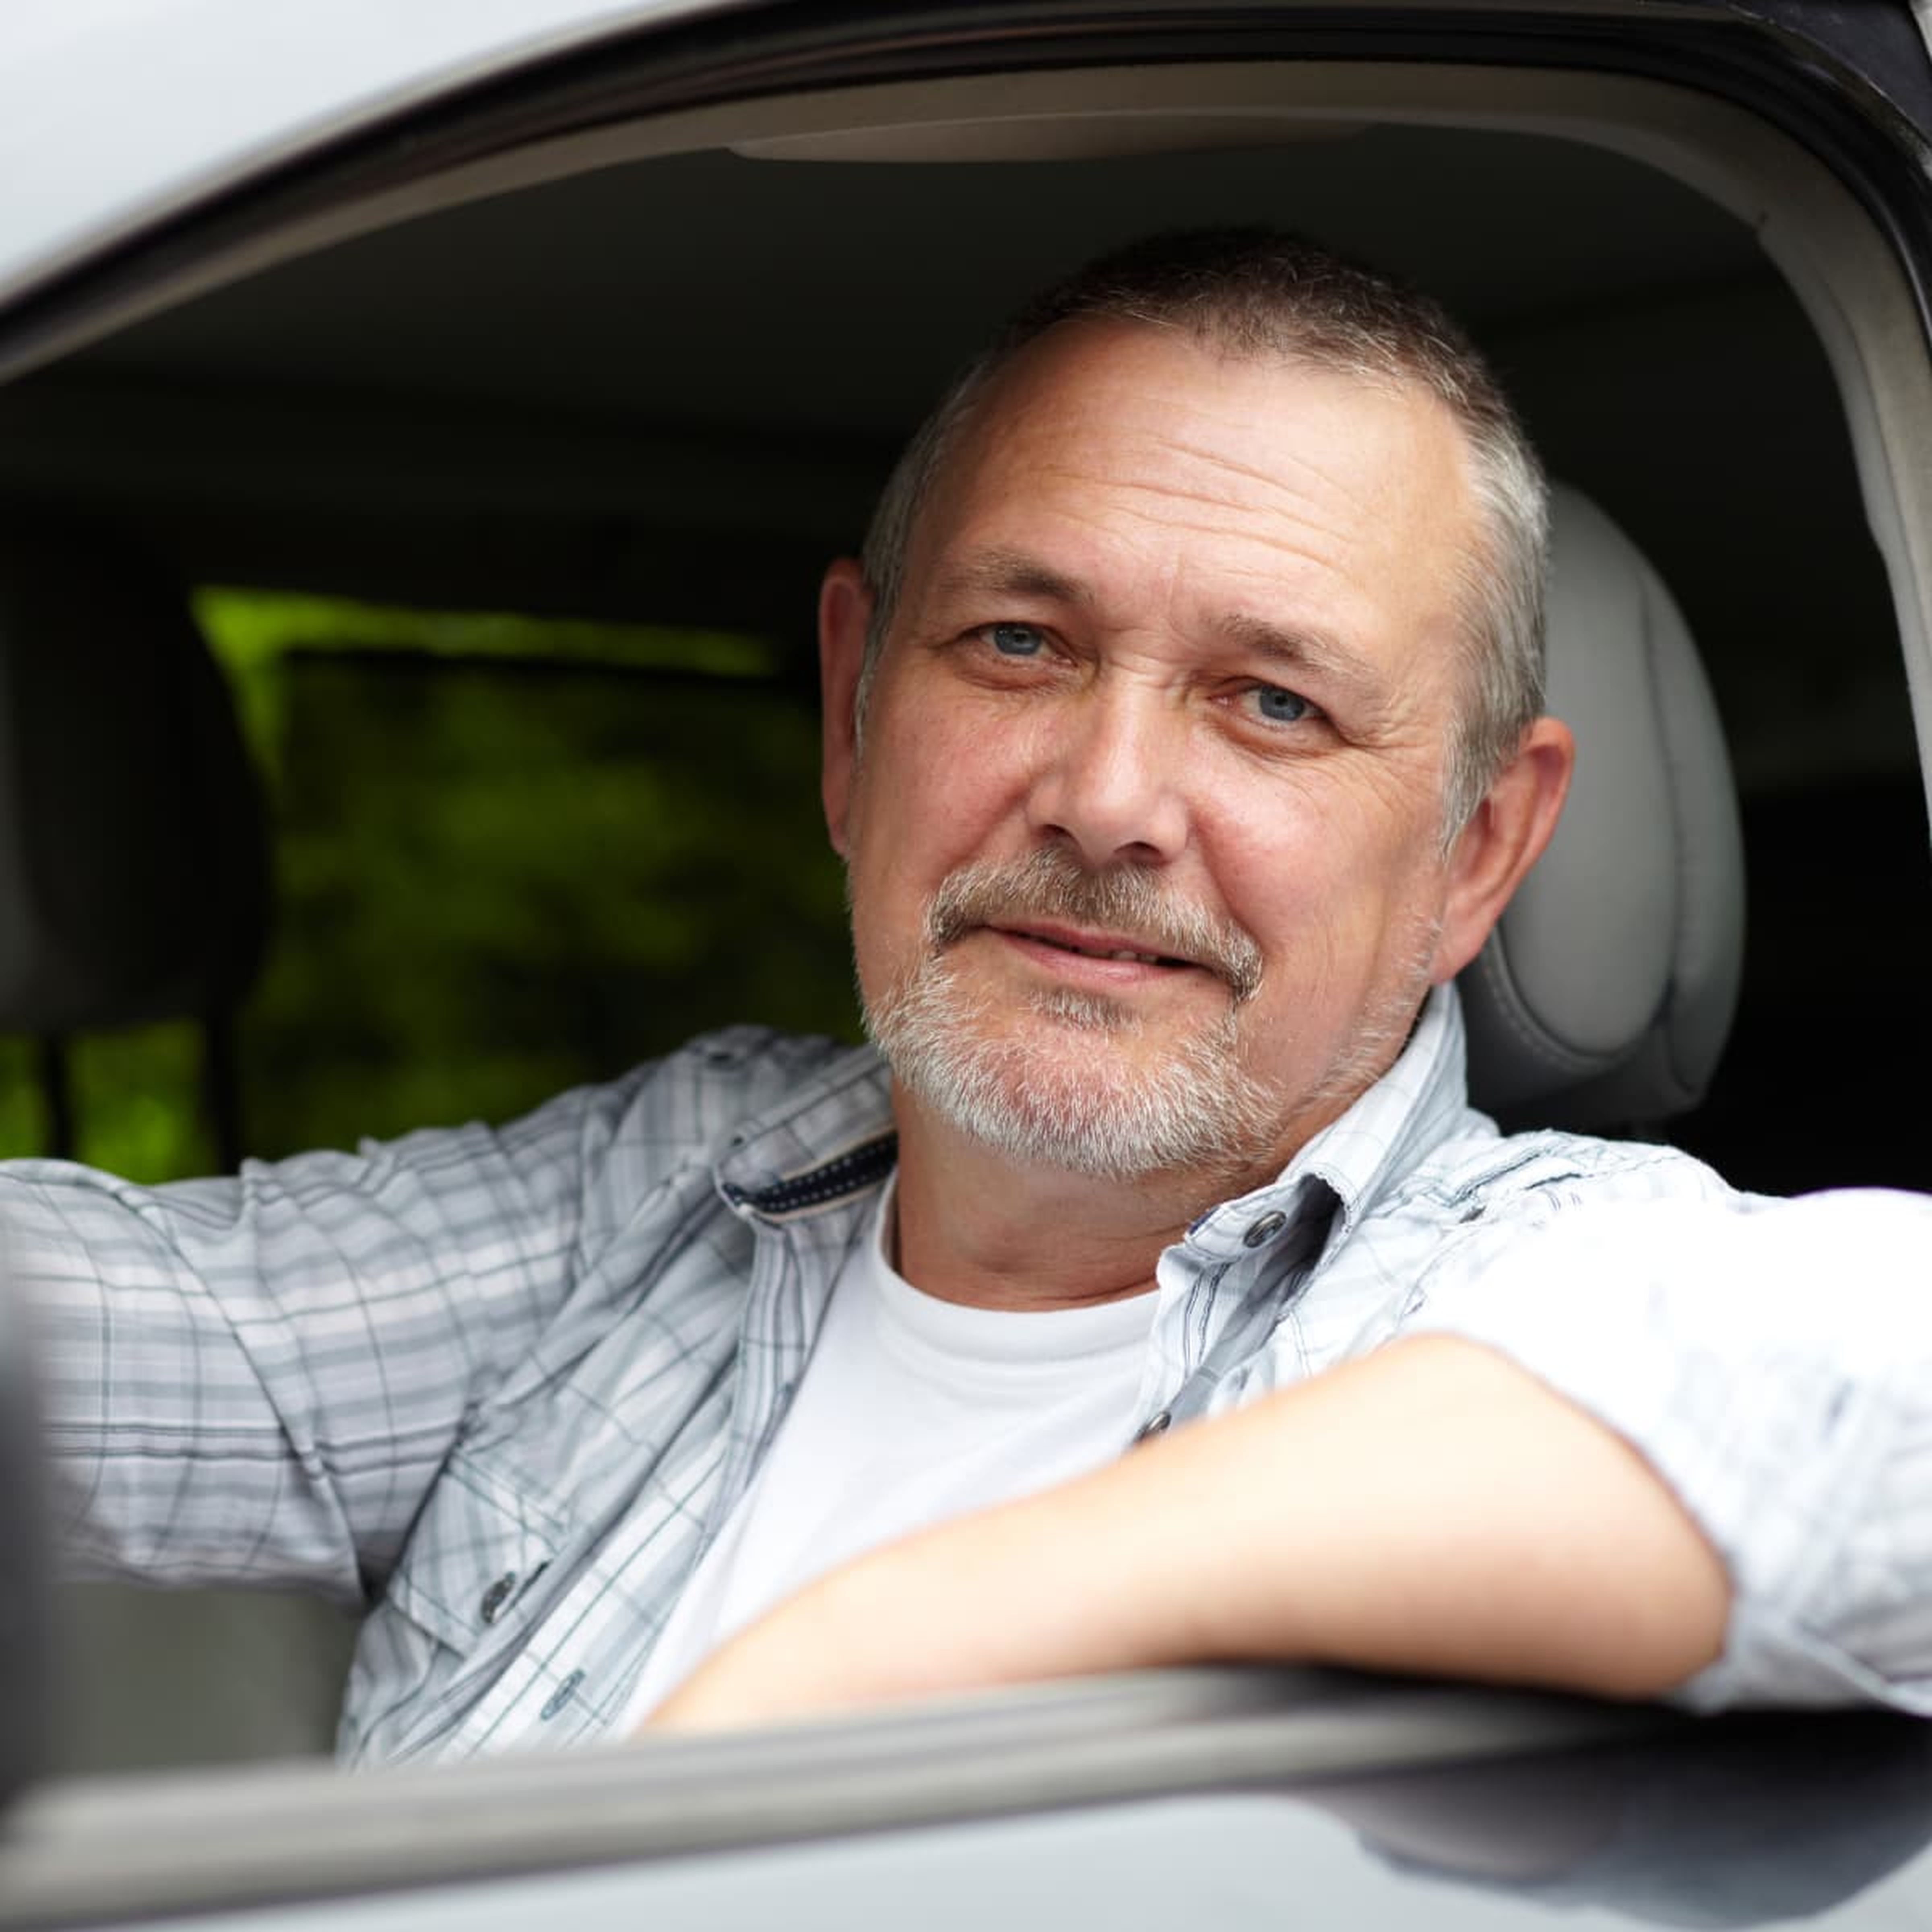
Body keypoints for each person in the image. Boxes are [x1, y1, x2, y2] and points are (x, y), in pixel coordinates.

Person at [20, 230, 1932, 1767]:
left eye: (1274, 701)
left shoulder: (1508, 1281)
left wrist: (881, 1646)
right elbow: (118, 1349)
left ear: (1478, 852)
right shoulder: (680, 1186)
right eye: (1021, 643)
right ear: (857, 716)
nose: (1106, 800)